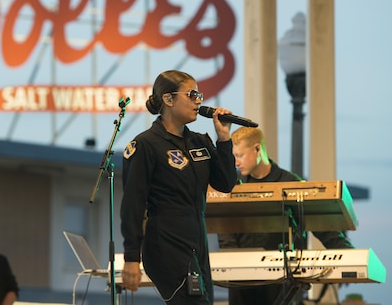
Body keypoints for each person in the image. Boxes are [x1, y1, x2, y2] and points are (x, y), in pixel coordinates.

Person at [120, 70, 238, 304]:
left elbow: (225, 184)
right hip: (166, 241)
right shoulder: (145, 145)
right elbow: (132, 205)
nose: (199, 101)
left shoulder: (200, 141)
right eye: (192, 94)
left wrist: (223, 139)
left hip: (198, 242)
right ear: (168, 99)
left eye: (199, 95)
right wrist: (131, 258)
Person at [217, 126, 354, 305]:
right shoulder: (232, 184)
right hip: (241, 284)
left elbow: (321, 226)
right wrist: (233, 262)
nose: (235, 162)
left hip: (282, 283)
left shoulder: (290, 183)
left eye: (240, 156)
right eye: (233, 156)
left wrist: (348, 257)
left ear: (257, 149)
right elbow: (224, 226)